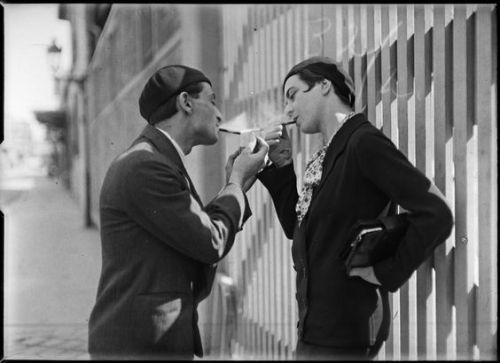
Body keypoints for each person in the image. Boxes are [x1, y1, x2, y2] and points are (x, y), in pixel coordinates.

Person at [257, 56, 453, 360]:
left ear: (324, 86)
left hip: (347, 330)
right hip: (317, 329)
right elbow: (300, 232)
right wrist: (282, 166)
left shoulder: (363, 142)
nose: (287, 110)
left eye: (293, 95)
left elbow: (436, 213)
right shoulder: (326, 154)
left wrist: (387, 272)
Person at [88, 65, 268, 360]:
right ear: (185, 102)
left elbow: (192, 232)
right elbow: (210, 242)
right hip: (141, 347)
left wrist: (236, 185)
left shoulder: (153, 158)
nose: (220, 114)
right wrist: (235, 183)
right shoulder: (146, 165)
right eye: (212, 100)